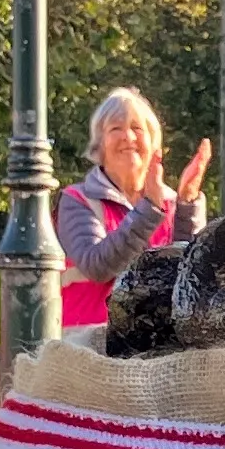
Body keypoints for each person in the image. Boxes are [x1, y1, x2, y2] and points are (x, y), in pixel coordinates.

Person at [57, 86, 211, 339]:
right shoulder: (77, 199)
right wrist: (149, 209)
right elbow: (97, 266)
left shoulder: (171, 203)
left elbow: (188, 273)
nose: (128, 137)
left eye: (137, 129)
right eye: (115, 129)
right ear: (100, 146)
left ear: (154, 145)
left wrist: (188, 202)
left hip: (152, 343)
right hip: (87, 344)